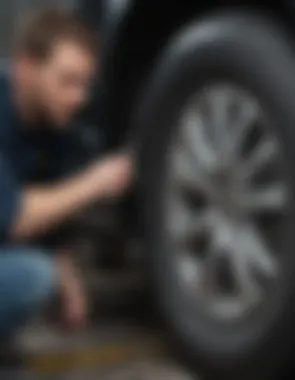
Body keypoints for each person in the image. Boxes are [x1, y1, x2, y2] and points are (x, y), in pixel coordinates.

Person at [0, 7, 134, 375]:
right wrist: (95, 181)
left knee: (43, 272)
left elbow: (52, 214)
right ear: (26, 68)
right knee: (34, 275)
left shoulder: (55, 127)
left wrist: (70, 278)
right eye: (67, 81)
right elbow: (13, 217)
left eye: (85, 84)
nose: (79, 97)